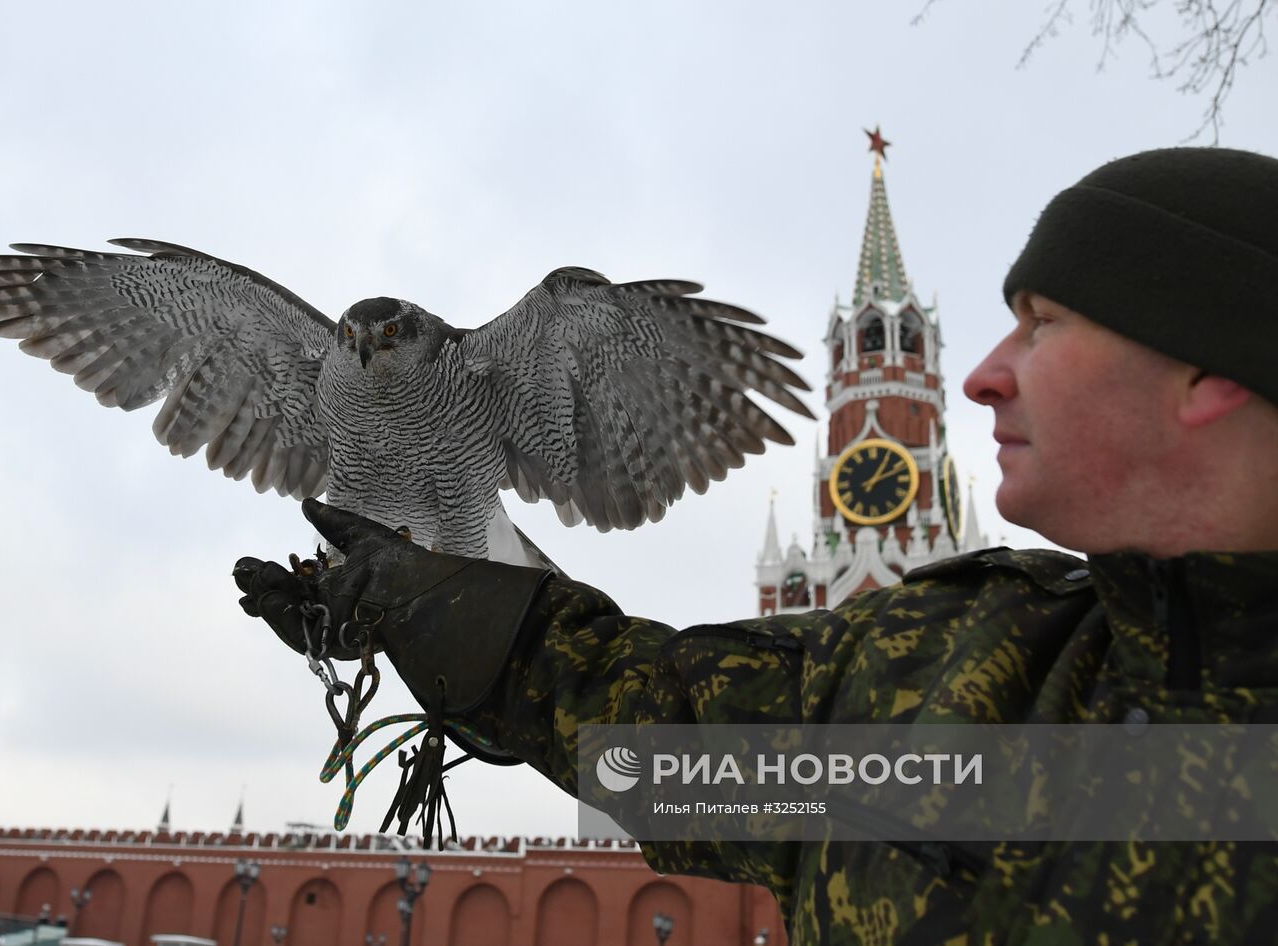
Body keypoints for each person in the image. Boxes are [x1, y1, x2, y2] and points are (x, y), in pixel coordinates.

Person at [234, 147, 1278, 944]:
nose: (981, 376)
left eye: (1043, 324)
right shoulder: (948, 663)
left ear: (1208, 370)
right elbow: (666, 748)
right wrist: (446, 611)